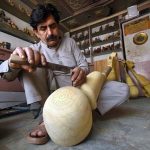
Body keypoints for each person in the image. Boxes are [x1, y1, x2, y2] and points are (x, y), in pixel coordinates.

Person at [0, 3, 129, 145]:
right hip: (49, 101)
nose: (50, 33)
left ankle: (83, 110)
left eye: (53, 26)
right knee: (27, 63)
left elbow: (84, 65)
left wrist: (82, 71)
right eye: (43, 28)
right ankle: (46, 119)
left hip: (78, 94)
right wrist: (12, 63)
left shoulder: (70, 43)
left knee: (122, 89)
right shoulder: (32, 50)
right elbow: (7, 75)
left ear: (58, 25)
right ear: (36, 32)